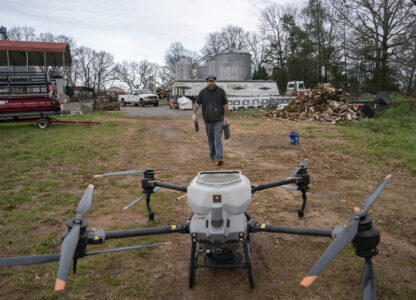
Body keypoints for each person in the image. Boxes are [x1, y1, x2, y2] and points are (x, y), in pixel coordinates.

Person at [192, 75, 229, 166]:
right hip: (208, 120)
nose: (211, 83)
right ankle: (212, 155)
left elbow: (225, 105)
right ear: (207, 82)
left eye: (212, 81)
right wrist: (194, 113)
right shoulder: (203, 92)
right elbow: (197, 104)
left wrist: (226, 116)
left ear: (215, 81)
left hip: (218, 119)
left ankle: (219, 158)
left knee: (217, 139)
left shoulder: (221, 92)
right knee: (210, 139)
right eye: (209, 81)